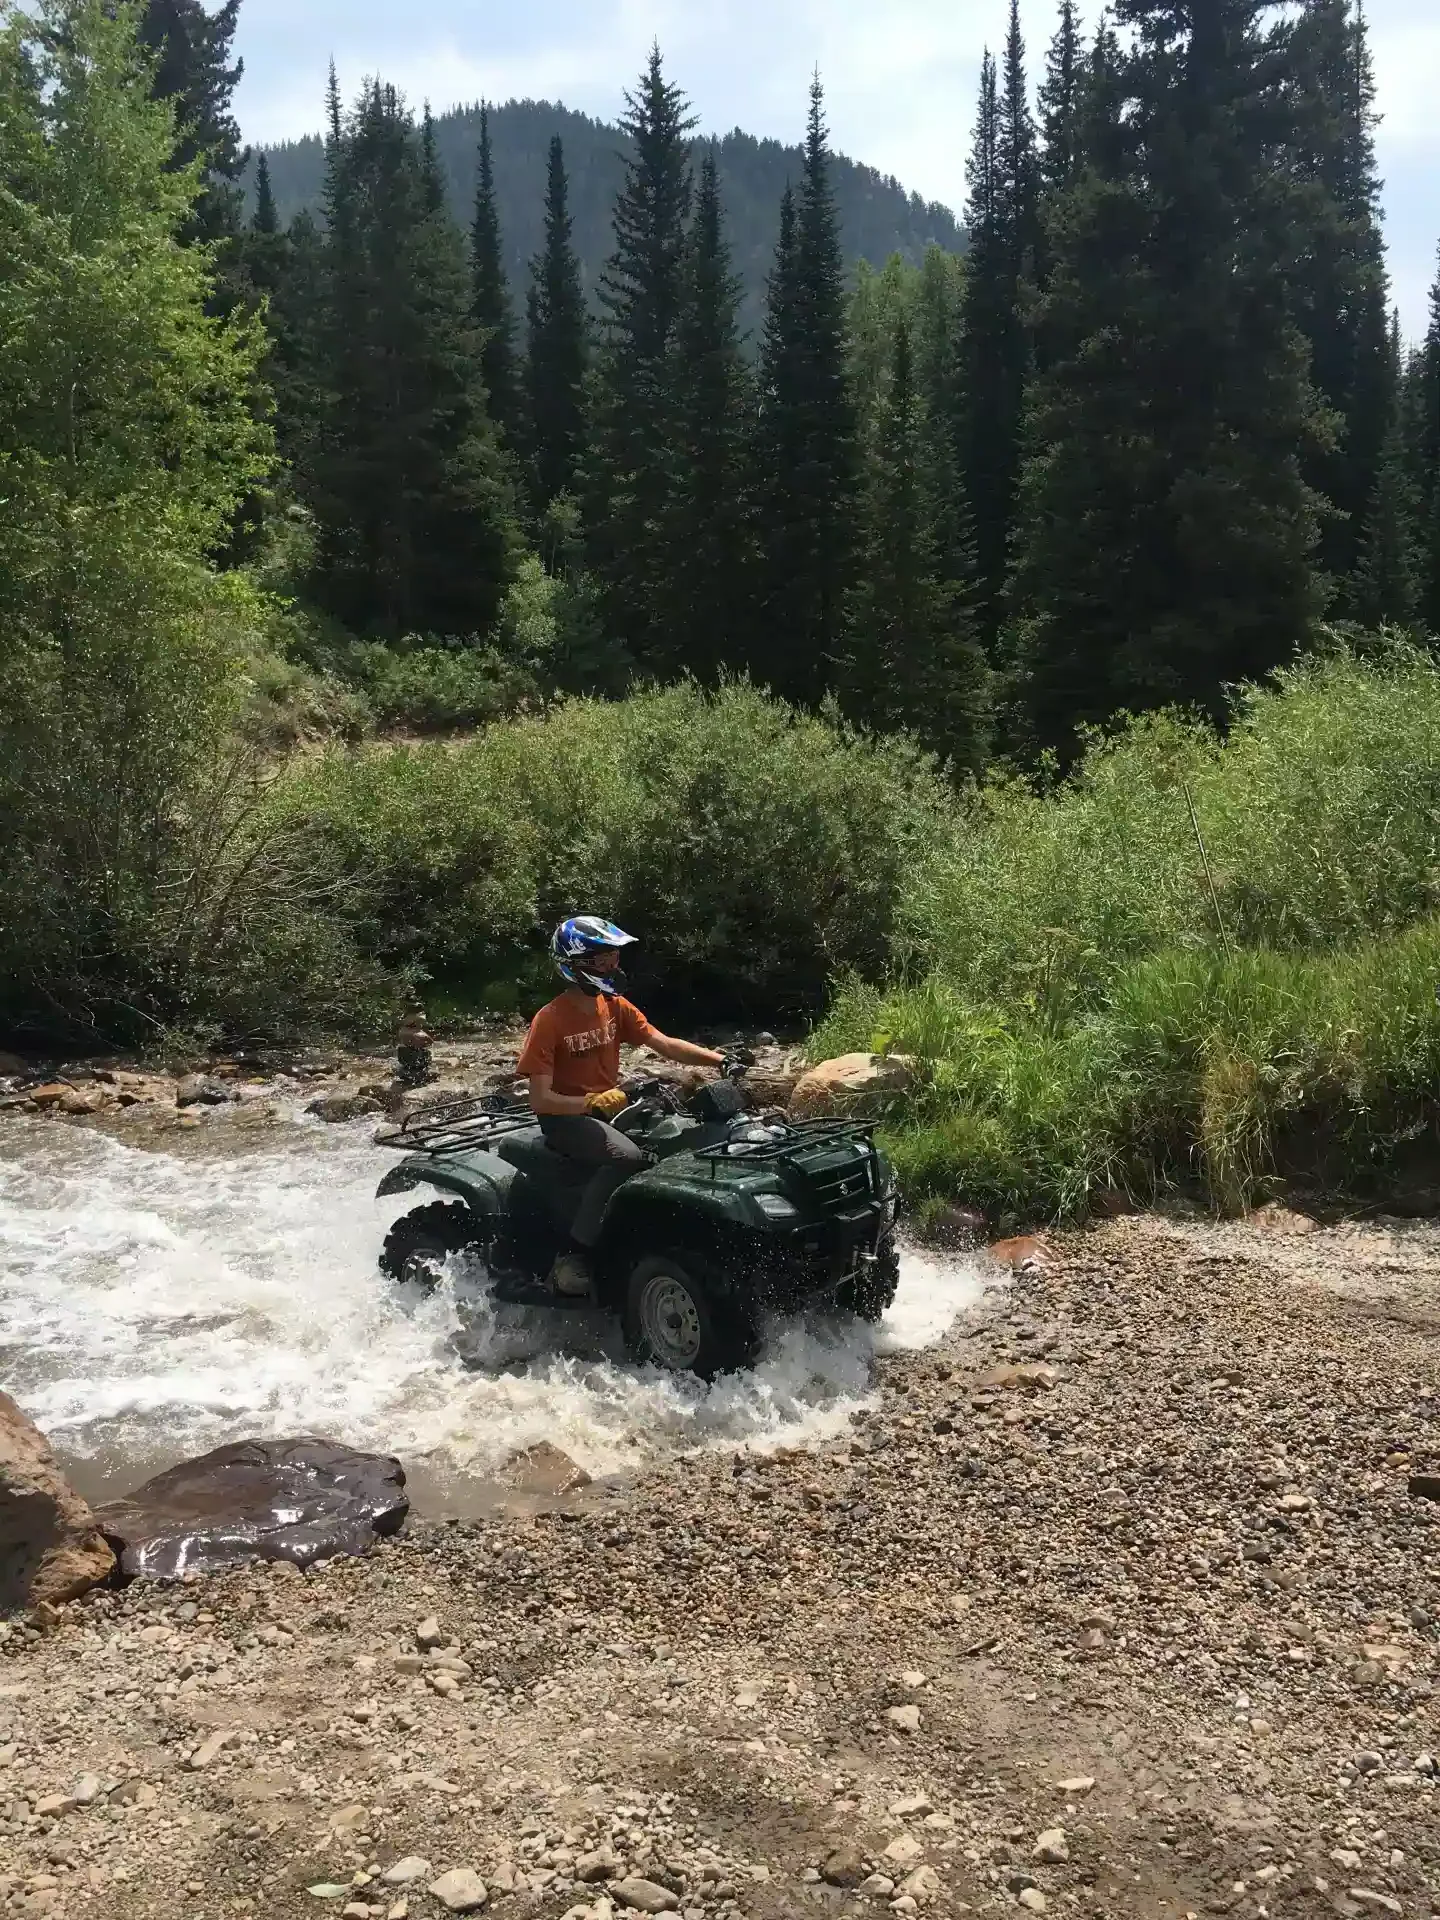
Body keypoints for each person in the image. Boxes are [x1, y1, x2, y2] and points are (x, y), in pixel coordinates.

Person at [516, 917, 725, 1296]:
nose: (612, 966)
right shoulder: (549, 1020)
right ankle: (574, 1256)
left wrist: (717, 1060)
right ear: (575, 964)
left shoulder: (614, 1005)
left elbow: (664, 1043)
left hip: (610, 1108)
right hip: (564, 1118)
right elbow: (539, 1099)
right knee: (627, 1157)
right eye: (602, 961)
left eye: (614, 957)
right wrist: (589, 1101)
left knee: (679, 1139)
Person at [396, 1003, 436, 1090]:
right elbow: (429, 1041)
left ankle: (413, 1076)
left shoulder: (404, 1030)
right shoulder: (413, 1033)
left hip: (409, 1063)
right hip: (414, 1063)